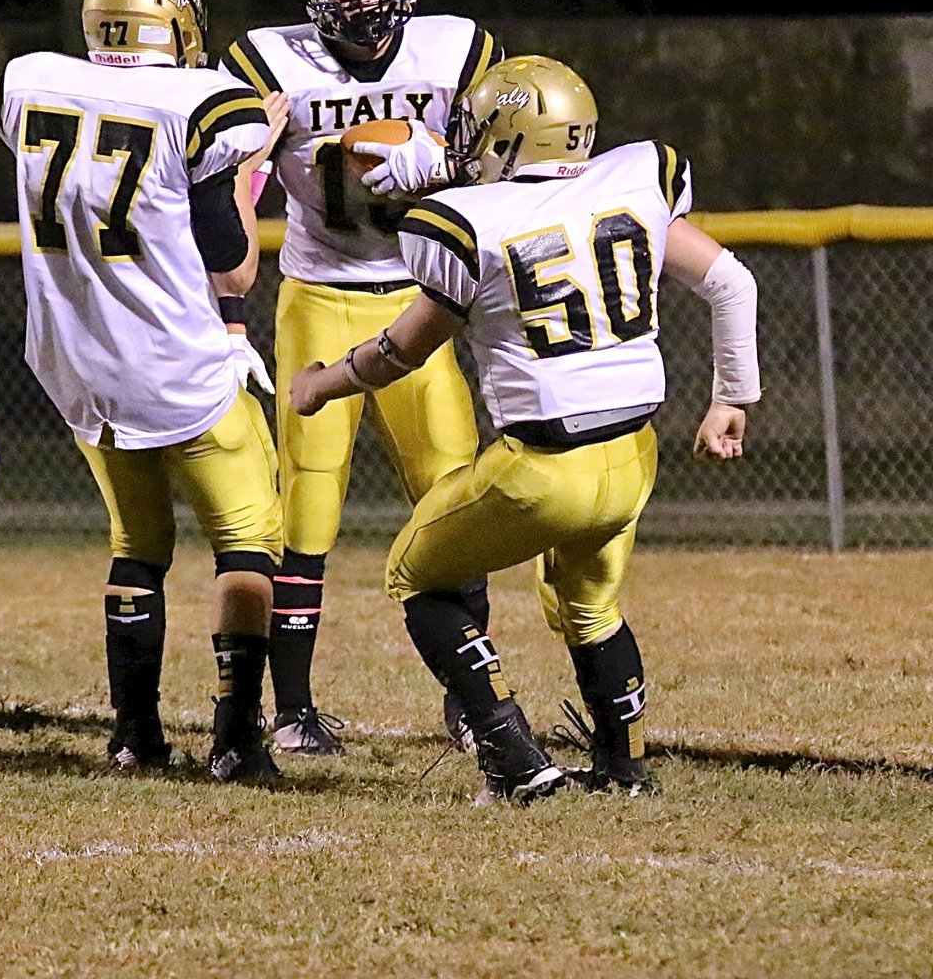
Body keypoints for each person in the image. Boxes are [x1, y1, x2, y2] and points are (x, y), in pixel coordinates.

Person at [290, 55, 761, 803]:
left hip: (542, 463)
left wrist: (322, 382)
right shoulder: (636, 180)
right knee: (591, 608)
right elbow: (733, 281)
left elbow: (401, 351)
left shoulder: (465, 223)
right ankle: (624, 768)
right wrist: (731, 396)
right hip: (634, 454)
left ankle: (513, 762)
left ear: (506, 136)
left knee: (414, 571)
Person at [0, 0, 287, 783]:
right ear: (179, 24)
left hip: (77, 365)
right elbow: (231, 269)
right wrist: (253, 160)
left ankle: (134, 734)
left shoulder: (30, 82)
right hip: (177, 367)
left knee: (136, 544)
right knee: (249, 546)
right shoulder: (202, 104)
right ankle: (235, 739)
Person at [218, 0, 500, 755]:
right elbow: (233, 192)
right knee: (305, 504)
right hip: (320, 292)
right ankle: (293, 709)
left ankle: (470, 695)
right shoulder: (270, 63)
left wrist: (447, 161)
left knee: (452, 494)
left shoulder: (458, 49)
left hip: (426, 298)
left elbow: (509, 157)